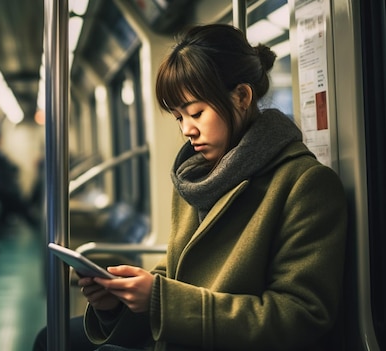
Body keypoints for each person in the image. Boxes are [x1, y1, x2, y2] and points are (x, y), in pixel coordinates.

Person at [34, 24, 347, 350]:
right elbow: (177, 273)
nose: (187, 130)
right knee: (51, 339)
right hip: (187, 334)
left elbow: (300, 317)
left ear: (241, 97)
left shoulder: (305, 185)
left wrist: (160, 301)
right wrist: (120, 301)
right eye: (179, 117)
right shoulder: (197, 178)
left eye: (196, 113)